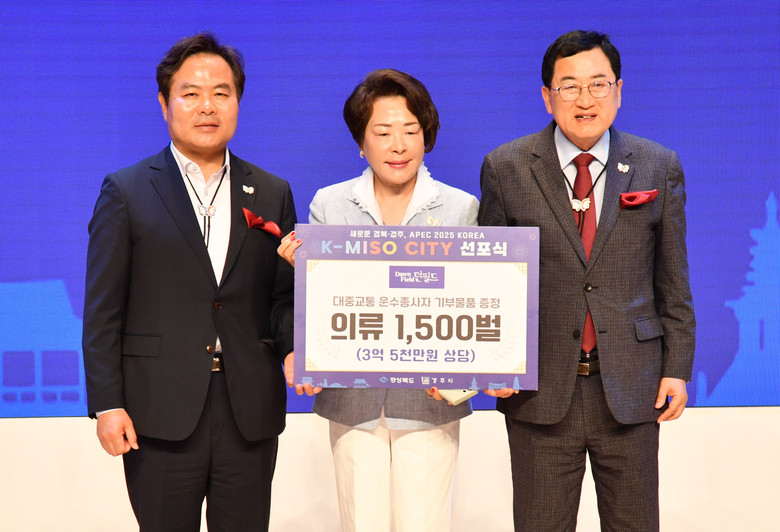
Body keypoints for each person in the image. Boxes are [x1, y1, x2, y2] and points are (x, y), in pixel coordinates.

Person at [478, 31, 695, 531]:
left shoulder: (657, 165)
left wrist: (677, 366)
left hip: (632, 385)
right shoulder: (506, 167)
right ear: (546, 96)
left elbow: (673, 277)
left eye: (598, 84)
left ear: (618, 91)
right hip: (539, 390)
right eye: (569, 86)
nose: (585, 99)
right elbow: (491, 284)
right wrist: (492, 362)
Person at [82, 33, 295, 531]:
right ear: (164, 104)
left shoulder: (271, 191)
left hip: (248, 408)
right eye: (191, 93)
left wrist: (294, 351)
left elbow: (282, 299)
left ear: (238, 102)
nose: (207, 106)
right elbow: (103, 309)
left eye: (221, 93)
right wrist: (107, 404)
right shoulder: (127, 190)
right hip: (158, 409)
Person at [277, 69, 479, 532]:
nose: (398, 145)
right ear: (361, 142)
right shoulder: (330, 204)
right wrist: (302, 272)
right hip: (353, 400)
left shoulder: (460, 207)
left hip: (431, 399)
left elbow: (473, 304)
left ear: (426, 136)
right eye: (383, 132)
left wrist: (465, 378)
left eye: (411, 131)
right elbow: (318, 303)